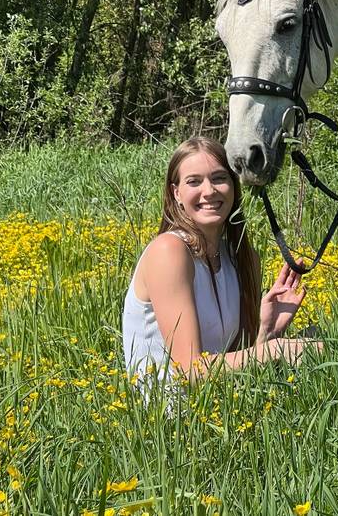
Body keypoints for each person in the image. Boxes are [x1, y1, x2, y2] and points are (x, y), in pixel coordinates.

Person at [122, 136, 318, 386]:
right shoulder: (169, 251)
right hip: (165, 417)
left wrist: (267, 333)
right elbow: (190, 372)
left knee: (326, 342)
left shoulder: (242, 259)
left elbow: (236, 369)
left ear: (234, 187)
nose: (209, 191)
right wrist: (275, 350)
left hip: (220, 411)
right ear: (176, 193)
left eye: (219, 178)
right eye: (194, 181)